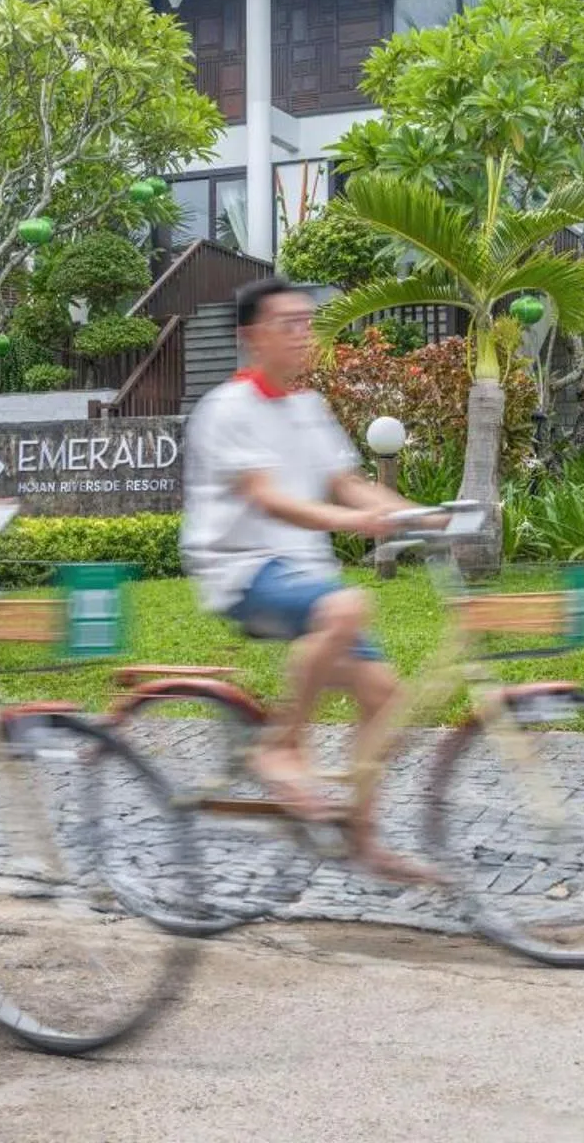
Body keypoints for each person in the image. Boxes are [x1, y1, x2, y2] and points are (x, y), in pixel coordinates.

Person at [180, 277, 433, 879]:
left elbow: (348, 482)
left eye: (307, 322)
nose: (302, 334)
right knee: (346, 607)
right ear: (252, 336)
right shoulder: (227, 409)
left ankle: (363, 839)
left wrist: (420, 513)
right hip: (242, 571)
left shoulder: (309, 409)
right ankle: (280, 745)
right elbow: (269, 500)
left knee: (387, 701)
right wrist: (358, 520)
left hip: (306, 576)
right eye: (287, 323)